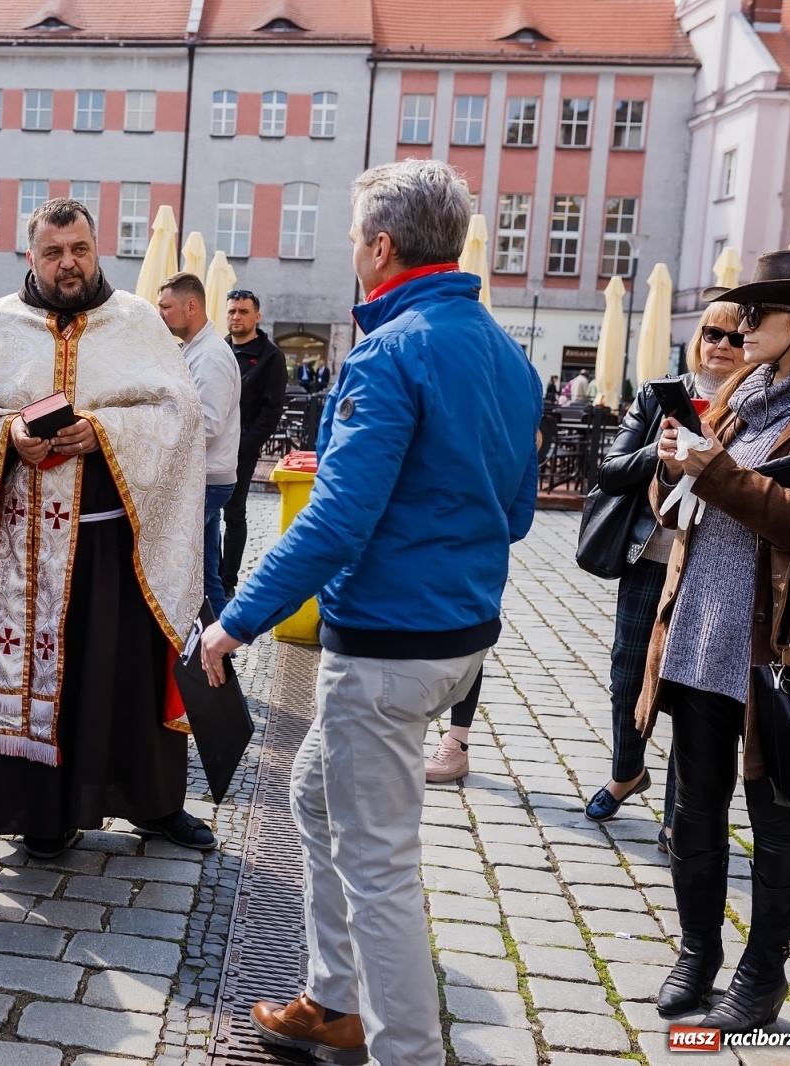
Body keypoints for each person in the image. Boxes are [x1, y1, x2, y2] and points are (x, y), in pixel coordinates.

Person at [202, 160, 540, 1064]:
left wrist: (236, 620)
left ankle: (407, 1051)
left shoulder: (391, 352)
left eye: (355, 237)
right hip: (457, 637)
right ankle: (333, 999)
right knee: (314, 795)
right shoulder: (508, 354)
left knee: (380, 866)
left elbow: (338, 519)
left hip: (391, 645)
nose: (352, 251)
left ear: (381, 247)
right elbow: (514, 514)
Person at [0, 197, 211, 859]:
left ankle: (154, 805)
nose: (68, 263)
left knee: (127, 678)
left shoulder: (135, 320)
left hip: (118, 547)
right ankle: (42, 815)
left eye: (78, 250)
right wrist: (9, 432)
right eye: (54, 252)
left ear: (96, 249)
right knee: (44, 680)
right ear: (32, 256)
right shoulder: (0, 327)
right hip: (24, 547)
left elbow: (181, 416)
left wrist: (103, 430)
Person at [642, 251, 790, 1032]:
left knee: (776, 817)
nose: (742, 327)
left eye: (760, 314)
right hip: (699, 633)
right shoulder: (739, 393)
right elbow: (679, 503)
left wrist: (717, 473)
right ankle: (697, 951)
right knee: (694, 810)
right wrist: (668, 472)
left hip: (776, 650)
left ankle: (760, 980)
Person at [577, 304, 746, 850]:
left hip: (711, 566)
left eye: (734, 336)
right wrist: (663, 449)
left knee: (690, 688)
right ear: (696, 339)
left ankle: (678, 812)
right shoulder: (658, 396)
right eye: (710, 333)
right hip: (652, 555)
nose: (721, 344)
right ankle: (628, 771)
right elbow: (609, 469)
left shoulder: (751, 406)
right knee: (627, 673)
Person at [157, 272, 241, 616]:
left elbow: (206, 425)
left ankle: (205, 652)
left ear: (191, 307)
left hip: (207, 478)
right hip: (205, 477)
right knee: (206, 576)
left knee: (179, 570)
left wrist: (157, 441)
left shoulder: (211, 356)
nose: (159, 313)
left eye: (166, 306)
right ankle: (217, 653)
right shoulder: (196, 349)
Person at [221, 289, 288, 599]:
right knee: (205, 514)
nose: (237, 317)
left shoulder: (271, 357)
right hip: (211, 446)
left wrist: (243, 448)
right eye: (232, 311)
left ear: (256, 317)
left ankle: (227, 580)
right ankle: (210, 571)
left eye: (243, 312)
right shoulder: (219, 349)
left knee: (233, 514)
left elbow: (270, 412)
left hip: (241, 451)